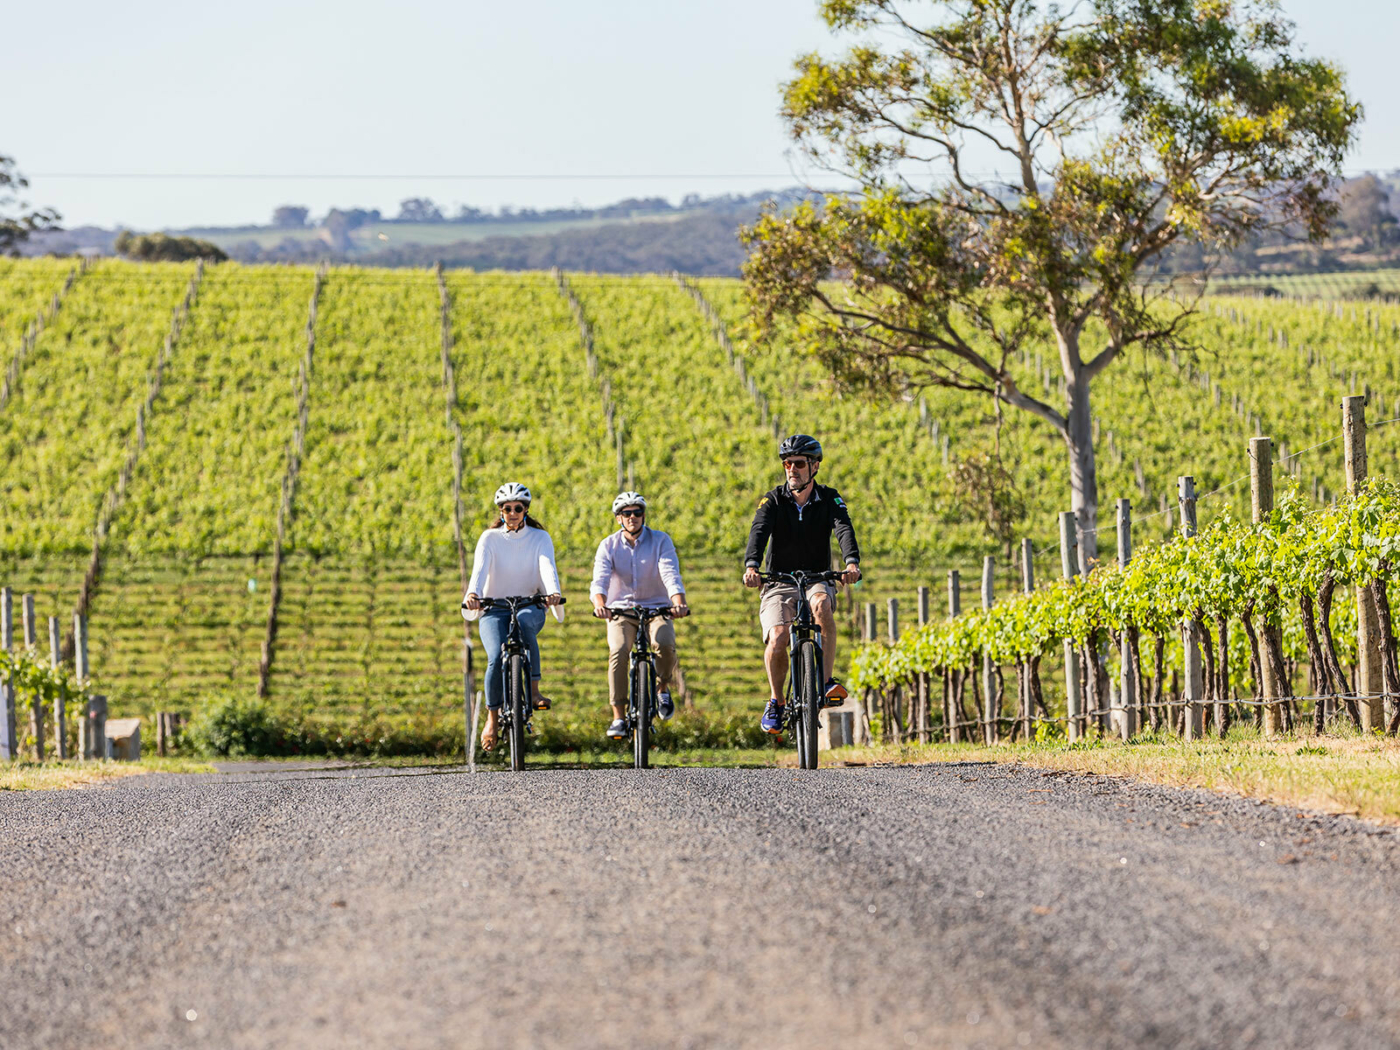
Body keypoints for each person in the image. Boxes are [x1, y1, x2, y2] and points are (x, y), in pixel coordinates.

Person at [743, 434, 861, 735]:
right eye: (787, 464)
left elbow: (843, 528)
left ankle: (825, 681)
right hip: (779, 581)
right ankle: (777, 702)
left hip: (816, 577)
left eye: (798, 463)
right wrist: (752, 566)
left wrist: (851, 563)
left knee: (821, 604)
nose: (792, 469)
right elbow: (759, 531)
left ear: (814, 466)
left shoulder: (829, 498)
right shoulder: (773, 500)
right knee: (778, 636)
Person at [461, 482, 563, 751]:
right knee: (495, 656)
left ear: (526, 510)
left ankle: (534, 691)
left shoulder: (540, 538)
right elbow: (479, 571)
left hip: (529, 603)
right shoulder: (489, 538)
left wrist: (553, 592)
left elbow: (547, 566)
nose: (513, 513)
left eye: (518, 508)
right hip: (494, 607)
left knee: (526, 625)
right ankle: (492, 719)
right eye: (508, 509)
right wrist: (473, 594)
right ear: (501, 511)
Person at [590, 491, 690, 740]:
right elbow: (600, 579)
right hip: (620, 611)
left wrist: (678, 602)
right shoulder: (608, 545)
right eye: (626, 513)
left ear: (644, 515)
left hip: (657, 608)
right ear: (618, 518)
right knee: (618, 650)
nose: (632, 517)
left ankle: (662, 688)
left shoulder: (660, 540)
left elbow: (670, 572)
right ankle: (618, 716)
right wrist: (600, 604)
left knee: (664, 642)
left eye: (637, 512)